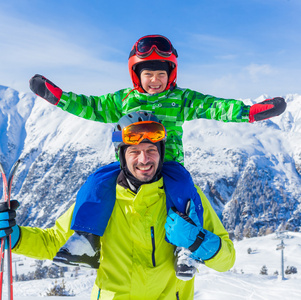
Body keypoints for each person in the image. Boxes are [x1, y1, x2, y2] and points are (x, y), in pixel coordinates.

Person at [28, 34, 286, 264]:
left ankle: (185, 249)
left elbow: (216, 106)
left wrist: (251, 113)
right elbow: (91, 106)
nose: (155, 80)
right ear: (136, 74)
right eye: (148, 74)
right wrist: (59, 97)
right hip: (128, 166)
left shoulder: (181, 99)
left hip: (169, 163)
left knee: (184, 190)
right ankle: (86, 238)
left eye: (161, 74)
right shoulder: (123, 100)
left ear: (171, 74)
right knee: (97, 181)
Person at [0, 112, 235, 299]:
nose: (144, 160)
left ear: (161, 153)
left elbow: (228, 259)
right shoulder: (100, 198)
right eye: (135, 152)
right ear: (122, 156)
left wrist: (197, 240)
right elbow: (54, 241)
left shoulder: (186, 198)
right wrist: (14, 236)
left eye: (151, 150)